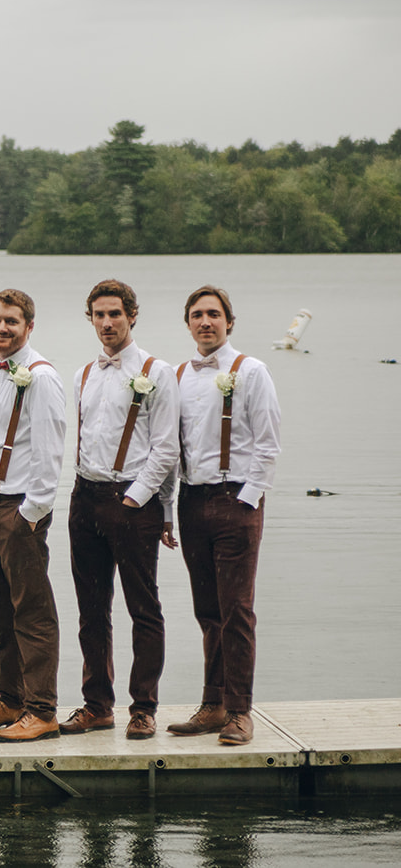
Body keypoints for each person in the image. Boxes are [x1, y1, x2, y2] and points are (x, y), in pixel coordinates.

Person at [64, 279, 179, 740]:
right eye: (98, 315)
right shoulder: (83, 374)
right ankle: (97, 704)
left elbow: (166, 447)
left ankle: (144, 706)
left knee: (143, 607)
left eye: (115, 314)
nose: (107, 323)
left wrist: (138, 497)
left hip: (133, 503)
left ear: (132, 315)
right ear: (90, 319)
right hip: (85, 497)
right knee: (91, 610)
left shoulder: (158, 371)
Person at [167, 285, 281, 746]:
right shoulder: (178, 375)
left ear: (229, 322)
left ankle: (239, 710)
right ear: (188, 323)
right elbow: (171, 448)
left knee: (237, 611)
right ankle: (212, 704)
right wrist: (167, 512)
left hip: (237, 500)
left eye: (214, 314)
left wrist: (247, 500)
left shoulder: (251, 371)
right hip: (191, 500)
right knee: (207, 610)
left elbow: (269, 444)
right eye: (197, 315)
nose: (205, 322)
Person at [0, 289, 68, 743]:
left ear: (29, 326)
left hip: (18, 510)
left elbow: (49, 448)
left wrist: (32, 513)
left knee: (32, 612)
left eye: (11, 322)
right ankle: (11, 698)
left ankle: (42, 710)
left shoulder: (40, 377)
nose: (2, 329)